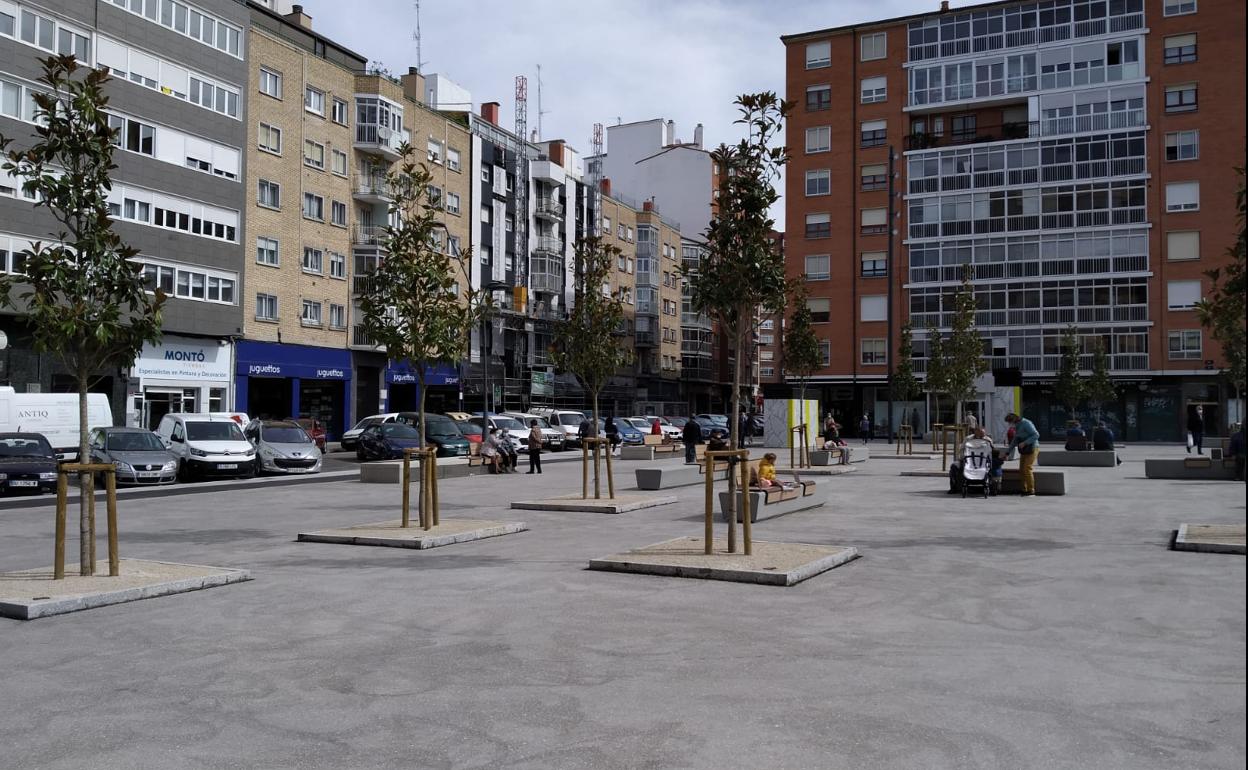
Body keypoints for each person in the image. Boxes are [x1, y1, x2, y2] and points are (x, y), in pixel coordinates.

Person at [949, 426, 994, 494]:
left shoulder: (988, 440)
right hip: (968, 461)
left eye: (983, 434)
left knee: (993, 467)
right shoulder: (968, 439)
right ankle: (954, 487)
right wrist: (963, 458)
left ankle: (990, 487)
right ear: (976, 432)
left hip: (983, 462)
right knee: (954, 466)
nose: (983, 436)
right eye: (981, 434)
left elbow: (991, 452)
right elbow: (962, 450)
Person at [1005, 412, 1040, 496]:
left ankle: (1031, 490)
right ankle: (1024, 489)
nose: (1010, 425)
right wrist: (1007, 452)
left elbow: (1036, 435)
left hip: (1032, 447)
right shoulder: (1017, 426)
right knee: (1021, 469)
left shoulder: (1026, 423)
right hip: (1024, 450)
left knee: (1027, 468)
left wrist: (1025, 442)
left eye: (1010, 422)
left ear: (1014, 420)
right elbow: (1015, 440)